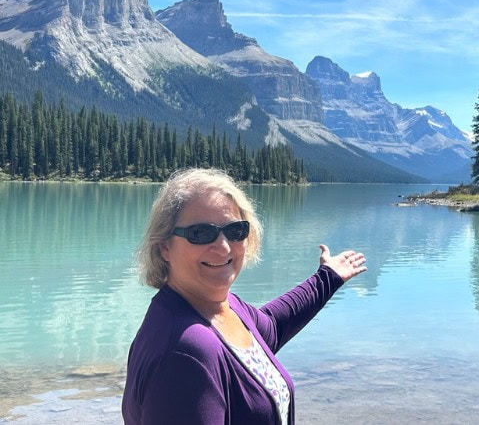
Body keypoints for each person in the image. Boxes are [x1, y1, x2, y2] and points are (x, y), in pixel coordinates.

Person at [121, 167, 366, 424]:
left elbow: (270, 326)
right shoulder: (185, 353)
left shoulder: (219, 307)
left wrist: (328, 277)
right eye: (201, 233)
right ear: (164, 248)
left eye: (235, 230)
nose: (224, 246)